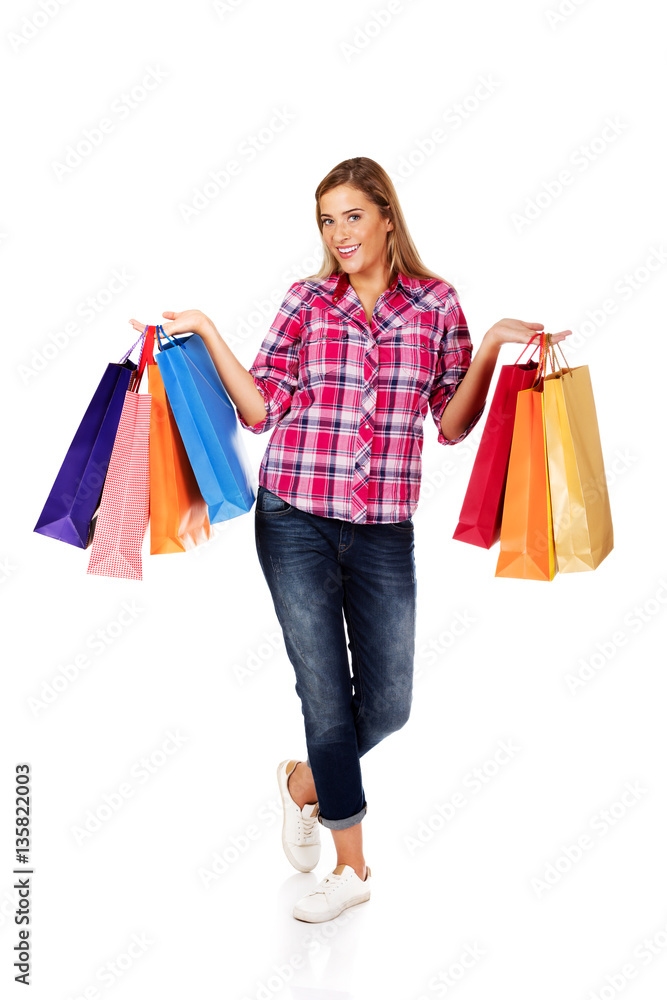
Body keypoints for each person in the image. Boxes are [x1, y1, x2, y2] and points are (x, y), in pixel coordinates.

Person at [130, 155, 570, 924]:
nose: (339, 232)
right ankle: (351, 867)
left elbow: (452, 424)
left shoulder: (436, 304)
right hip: (293, 514)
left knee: (391, 704)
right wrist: (203, 326)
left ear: (387, 217)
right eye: (327, 220)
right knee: (326, 698)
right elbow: (261, 409)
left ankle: (305, 786)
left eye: (352, 216)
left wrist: (495, 344)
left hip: (382, 530)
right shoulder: (306, 300)